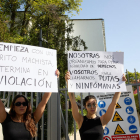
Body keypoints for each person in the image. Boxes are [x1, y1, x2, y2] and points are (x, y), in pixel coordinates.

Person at [65, 71, 127, 140]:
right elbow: (73, 102)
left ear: (96, 105)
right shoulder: (81, 120)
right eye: (89, 105)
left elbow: (114, 103)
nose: (92, 107)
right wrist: (68, 82)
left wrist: (121, 84)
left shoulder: (103, 120)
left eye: (94, 104)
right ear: (85, 107)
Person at [0, 69, 60, 140]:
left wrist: (53, 79)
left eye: (24, 103)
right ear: (13, 107)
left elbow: (44, 102)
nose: (21, 106)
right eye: (18, 104)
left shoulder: (32, 119)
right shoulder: (6, 119)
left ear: (27, 106)